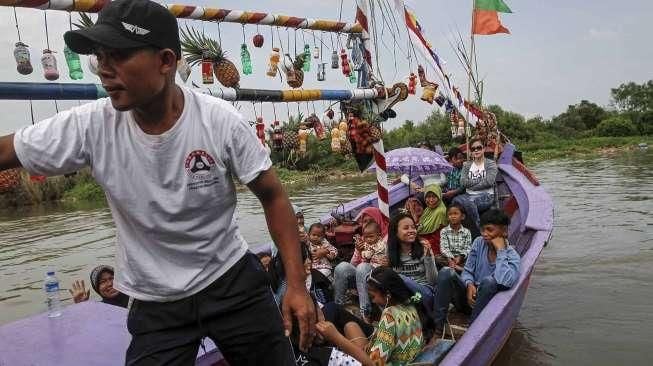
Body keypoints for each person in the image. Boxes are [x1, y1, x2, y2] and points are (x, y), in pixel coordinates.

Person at [0, 1, 314, 364]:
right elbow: (9, 149)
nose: (104, 70)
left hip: (229, 279)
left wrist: (296, 284)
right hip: (155, 300)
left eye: (117, 55)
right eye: (99, 57)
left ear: (165, 61)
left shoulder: (220, 122)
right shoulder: (90, 127)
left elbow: (273, 196)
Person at [315, 267, 431, 366]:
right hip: (403, 358)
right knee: (351, 325)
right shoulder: (410, 305)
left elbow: (375, 363)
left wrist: (336, 337)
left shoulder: (390, 315)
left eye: (372, 296)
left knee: (344, 337)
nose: (373, 301)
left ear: (388, 295)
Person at [433, 209, 520, 332]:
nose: (484, 234)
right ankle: (438, 328)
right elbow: (467, 270)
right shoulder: (479, 243)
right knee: (446, 272)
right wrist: (469, 284)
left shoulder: (512, 256)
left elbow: (505, 281)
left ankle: (472, 328)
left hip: (486, 306)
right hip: (469, 299)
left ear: (504, 231)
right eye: (483, 229)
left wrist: (501, 251)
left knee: (489, 281)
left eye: (490, 230)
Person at [333, 221, 388, 320]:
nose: (368, 239)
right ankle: (338, 306)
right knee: (342, 267)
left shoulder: (384, 244)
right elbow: (352, 265)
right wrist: (358, 250)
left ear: (378, 234)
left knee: (362, 267)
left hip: (377, 278)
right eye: (366, 237)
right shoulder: (363, 244)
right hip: (361, 278)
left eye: (371, 236)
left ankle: (365, 312)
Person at [387, 212, 438, 319]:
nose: (411, 231)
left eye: (413, 227)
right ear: (395, 232)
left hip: (424, 293)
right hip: (405, 295)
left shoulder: (424, 246)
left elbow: (433, 281)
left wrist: (428, 256)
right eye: (406, 228)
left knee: (399, 278)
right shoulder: (390, 251)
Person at [453, 138, 498, 232]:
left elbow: (489, 182)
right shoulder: (467, 165)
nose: (476, 150)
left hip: (486, 196)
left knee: (469, 202)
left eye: (479, 148)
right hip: (468, 195)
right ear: (471, 151)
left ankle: (478, 228)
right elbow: (463, 182)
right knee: (455, 201)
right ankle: (458, 230)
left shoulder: (491, 164)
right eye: (473, 149)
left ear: (483, 149)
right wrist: (480, 180)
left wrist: (471, 185)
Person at [439, 204, 473, 273]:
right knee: (437, 258)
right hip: (448, 258)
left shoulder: (467, 232)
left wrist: (460, 257)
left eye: (456, 213)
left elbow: (467, 247)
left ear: (462, 216)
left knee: (472, 259)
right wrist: (450, 259)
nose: (453, 216)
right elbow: (444, 247)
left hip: (462, 259)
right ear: (447, 217)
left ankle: (456, 268)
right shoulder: (444, 231)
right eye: (450, 214)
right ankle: (458, 268)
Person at [416, 184, 448, 257]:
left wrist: (420, 240)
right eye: (428, 197)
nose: (431, 200)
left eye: (434, 197)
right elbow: (421, 224)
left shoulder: (440, 212)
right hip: (424, 238)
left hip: (434, 244)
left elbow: (438, 237)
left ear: (439, 197)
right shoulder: (428, 209)